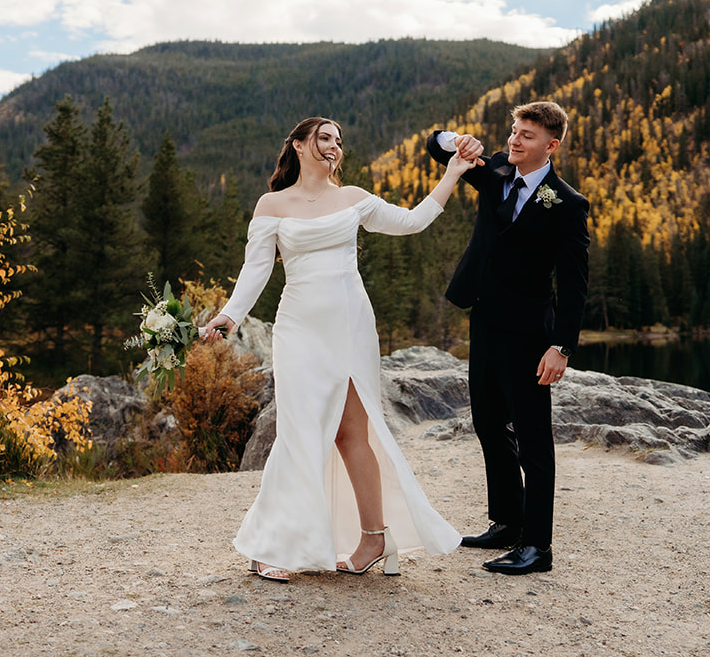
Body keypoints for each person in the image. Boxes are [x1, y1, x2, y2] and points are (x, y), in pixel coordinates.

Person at [202, 116, 472, 582]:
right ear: (299, 144)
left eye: (339, 140)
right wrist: (230, 314)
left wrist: (452, 173)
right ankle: (277, 545)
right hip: (299, 326)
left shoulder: (353, 199)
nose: (333, 145)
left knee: (352, 434)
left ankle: (374, 538)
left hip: (350, 325)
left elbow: (411, 222)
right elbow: (256, 270)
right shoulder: (272, 204)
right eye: (324, 137)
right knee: (299, 428)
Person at [426, 101, 589, 575]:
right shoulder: (495, 169)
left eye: (528, 135)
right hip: (485, 323)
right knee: (488, 424)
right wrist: (456, 140)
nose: (515, 141)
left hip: (530, 336)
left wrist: (561, 347)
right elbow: (434, 144)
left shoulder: (567, 203)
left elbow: (575, 283)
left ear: (551, 145)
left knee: (535, 442)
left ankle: (538, 546)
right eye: (514, 131)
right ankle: (507, 523)